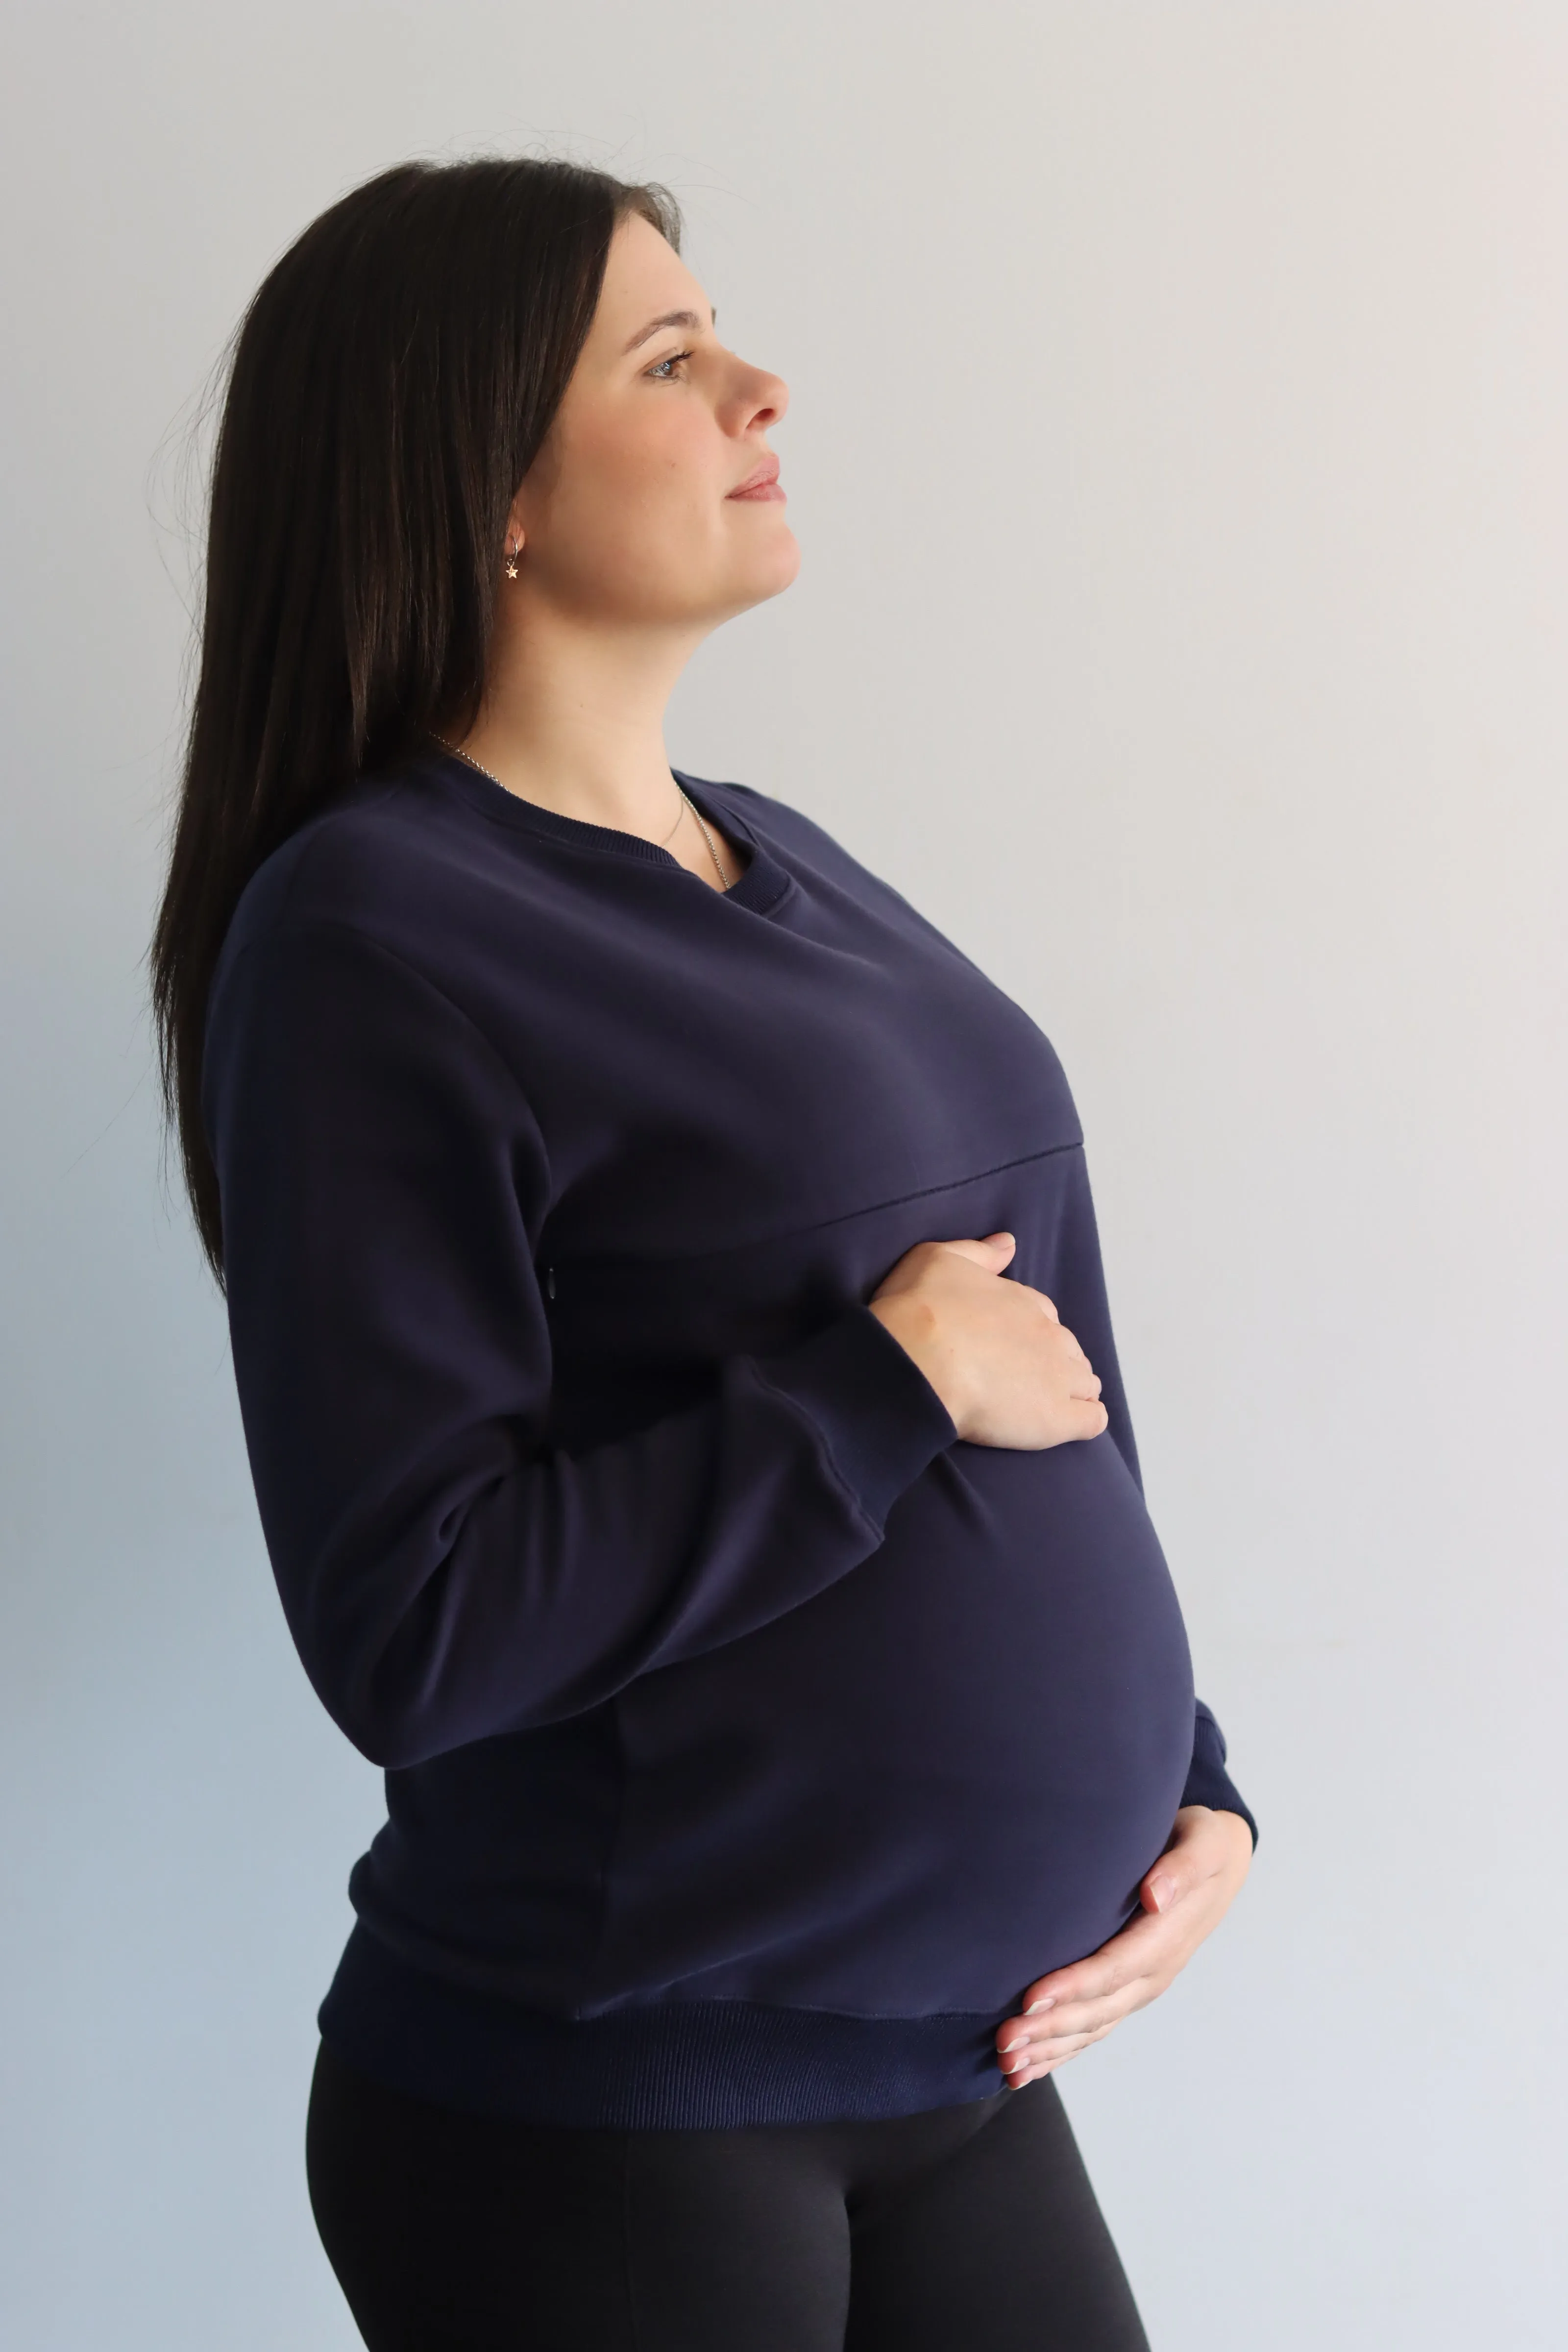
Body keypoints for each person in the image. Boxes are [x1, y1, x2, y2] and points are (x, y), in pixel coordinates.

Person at [150, 155, 1256, 2352]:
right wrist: (874, 1384)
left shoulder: (797, 866)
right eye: (671, 359)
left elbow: (1044, 1381)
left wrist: (1186, 1780)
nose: (763, 387)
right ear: (491, 495)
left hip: (961, 2064)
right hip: (616, 2108)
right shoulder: (374, 934)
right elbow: (418, 1623)